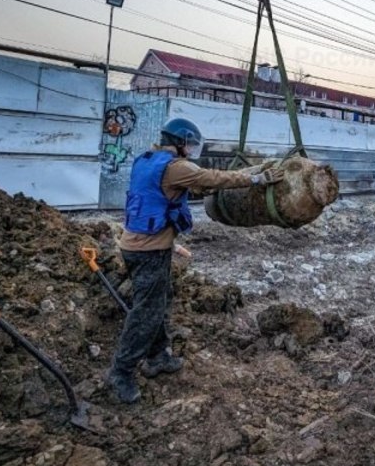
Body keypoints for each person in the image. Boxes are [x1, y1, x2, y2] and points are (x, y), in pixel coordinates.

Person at [106, 117, 284, 404]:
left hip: (137, 245)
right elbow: (212, 178)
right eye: (189, 144)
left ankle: (158, 356)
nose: (190, 149)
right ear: (179, 142)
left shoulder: (146, 160)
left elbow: (167, 194)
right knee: (145, 314)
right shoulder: (176, 167)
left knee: (159, 300)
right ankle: (120, 373)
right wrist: (255, 178)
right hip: (149, 251)